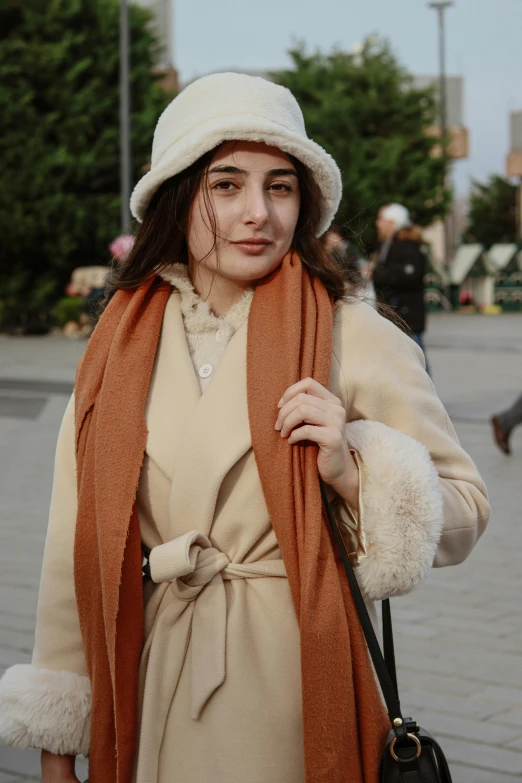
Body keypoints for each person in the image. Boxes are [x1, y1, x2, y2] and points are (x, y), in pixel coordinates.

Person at [0, 73, 489, 783]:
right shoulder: (115, 348)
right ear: (176, 196)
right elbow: (68, 553)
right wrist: (57, 740)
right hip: (150, 685)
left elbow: (466, 508)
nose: (257, 212)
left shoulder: (351, 333)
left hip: (292, 691)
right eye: (225, 185)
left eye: (280, 186)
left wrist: (355, 465)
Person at [370, 203, 429, 358]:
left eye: (381, 219)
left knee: (414, 363)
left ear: (392, 222)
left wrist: (376, 273)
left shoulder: (406, 245)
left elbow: (408, 275)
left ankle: (424, 384)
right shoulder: (389, 245)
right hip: (397, 316)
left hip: (406, 318)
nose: (378, 224)